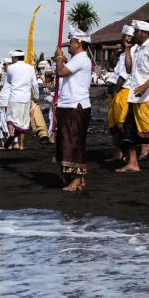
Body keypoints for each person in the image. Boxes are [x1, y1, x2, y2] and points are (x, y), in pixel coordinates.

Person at [117, 20, 149, 173]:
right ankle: (133, 163)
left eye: (136, 31)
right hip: (135, 96)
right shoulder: (137, 49)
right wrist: (127, 50)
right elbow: (129, 69)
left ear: (144, 33)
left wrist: (145, 86)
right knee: (129, 131)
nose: (134, 34)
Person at [54, 29, 93, 192]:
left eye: (71, 42)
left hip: (75, 105)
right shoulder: (77, 59)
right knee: (67, 142)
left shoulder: (81, 58)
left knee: (72, 143)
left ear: (79, 43)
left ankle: (76, 178)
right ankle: (77, 177)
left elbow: (61, 72)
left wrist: (59, 59)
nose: (69, 45)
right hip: (69, 104)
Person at [4, 49, 47, 149]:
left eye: (12, 58)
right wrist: (36, 97)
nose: (11, 59)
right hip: (26, 97)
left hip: (14, 96)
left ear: (16, 58)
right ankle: (21, 145)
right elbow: (35, 84)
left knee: (10, 118)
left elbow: (9, 81)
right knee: (23, 122)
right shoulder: (30, 68)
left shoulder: (10, 68)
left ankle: (11, 133)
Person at [106, 26, 134, 155]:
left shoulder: (132, 53)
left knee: (121, 123)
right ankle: (118, 153)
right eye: (125, 36)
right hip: (116, 88)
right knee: (113, 123)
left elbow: (126, 73)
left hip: (123, 89)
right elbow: (113, 66)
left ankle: (128, 153)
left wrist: (116, 90)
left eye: (129, 37)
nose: (127, 39)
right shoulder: (122, 53)